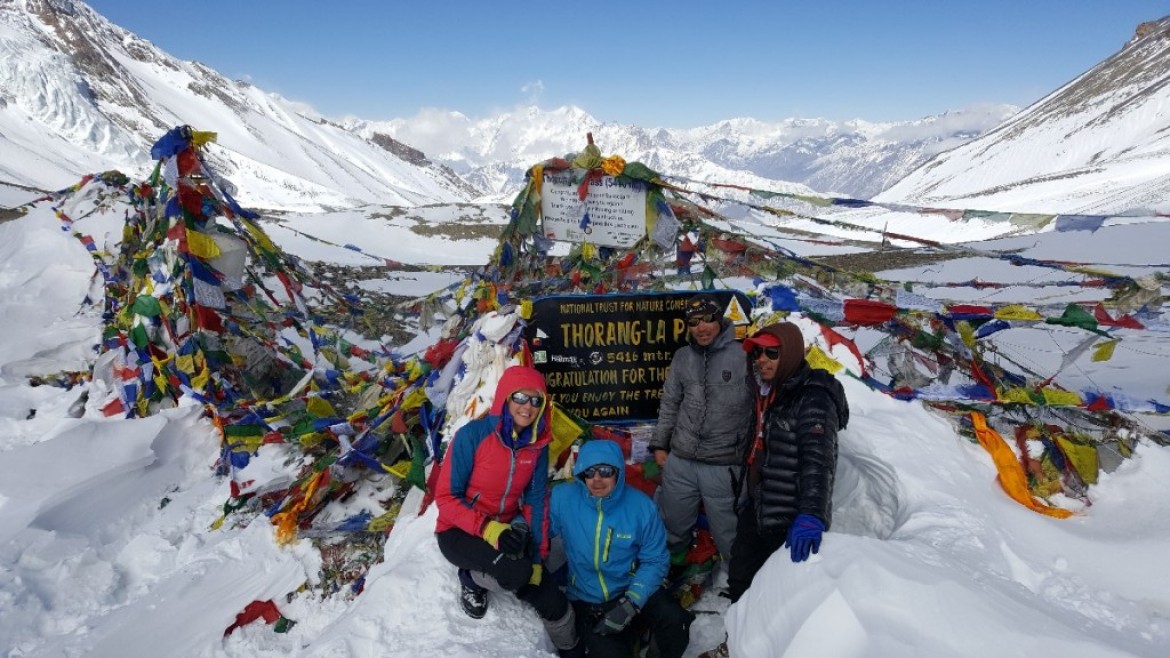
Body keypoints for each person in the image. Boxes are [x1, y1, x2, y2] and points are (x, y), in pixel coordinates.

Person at [700, 322, 849, 658]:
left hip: (788, 516)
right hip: (759, 505)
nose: (762, 360)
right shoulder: (770, 391)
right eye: (757, 353)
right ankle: (736, 644)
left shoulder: (812, 398)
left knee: (776, 595)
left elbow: (818, 461)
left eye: (772, 352)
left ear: (791, 353)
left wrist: (811, 515)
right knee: (741, 580)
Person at [434, 365, 582, 657]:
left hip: (506, 527)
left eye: (536, 400)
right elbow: (446, 498)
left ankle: (572, 649)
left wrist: (539, 553)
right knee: (517, 571)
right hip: (459, 530)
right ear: (505, 397)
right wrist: (488, 529)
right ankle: (470, 579)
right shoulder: (472, 437)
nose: (528, 407)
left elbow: (536, 500)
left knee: (548, 592)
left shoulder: (537, 446)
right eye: (521, 398)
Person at [550, 439, 694, 658]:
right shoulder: (563, 498)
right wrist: (516, 530)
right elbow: (537, 526)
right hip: (588, 599)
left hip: (631, 591)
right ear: (581, 473)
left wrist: (632, 603)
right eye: (590, 472)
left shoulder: (641, 506)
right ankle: (630, 639)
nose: (597, 480)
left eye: (605, 471)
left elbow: (655, 560)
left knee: (676, 622)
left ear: (618, 472)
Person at [649, 292, 754, 568]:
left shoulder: (746, 356)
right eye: (694, 322)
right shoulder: (683, 357)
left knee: (729, 534)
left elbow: (763, 407)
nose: (701, 327)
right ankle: (667, 570)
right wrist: (661, 445)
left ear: (720, 319)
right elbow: (670, 403)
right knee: (672, 523)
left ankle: (742, 589)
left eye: (707, 319)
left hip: (723, 465)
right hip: (681, 460)